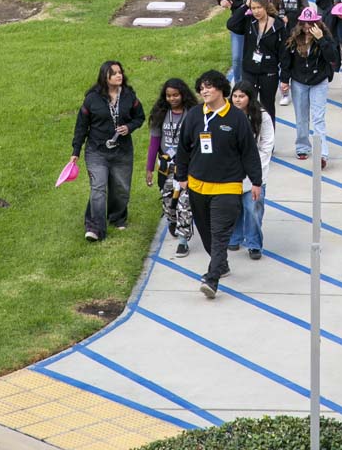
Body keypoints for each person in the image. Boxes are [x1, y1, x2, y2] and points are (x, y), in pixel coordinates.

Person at [174, 70, 262, 298]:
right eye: (201, 87)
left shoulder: (236, 118)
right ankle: (221, 264)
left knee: (220, 234)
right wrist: (181, 176)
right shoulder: (194, 115)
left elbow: (249, 152)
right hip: (197, 186)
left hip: (227, 187)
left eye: (209, 87)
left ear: (221, 89)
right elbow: (183, 148)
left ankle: (211, 279)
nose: (204, 91)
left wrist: (256, 181)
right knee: (207, 235)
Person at [71, 61, 145, 243]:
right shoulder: (92, 99)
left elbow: (140, 117)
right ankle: (95, 228)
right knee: (98, 188)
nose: (118, 75)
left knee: (121, 188)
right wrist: (75, 151)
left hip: (122, 151)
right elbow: (81, 126)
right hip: (96, 151)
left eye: (120, 72)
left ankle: (117, 217)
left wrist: (129, 127)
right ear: (105, 76)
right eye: (114, 73)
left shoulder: (129, 96)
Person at [279, 8, 340, 167]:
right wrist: (284, 80)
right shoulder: (293, 38)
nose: (307, 26)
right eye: (304, 23)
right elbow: (286, 60)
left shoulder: (325, 36)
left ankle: (322, 154)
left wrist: (321, 40)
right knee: (301, 116)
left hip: (319, 81)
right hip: (299, 81)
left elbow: (333, 58)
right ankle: (302, 146)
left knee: (318, 118)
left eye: (311, 23)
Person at [146, 77, 198, 255]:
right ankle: (172, 220)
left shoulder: (192, 112)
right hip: (166, 167)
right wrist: (149, 168)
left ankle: (183, 240)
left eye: (176, 95)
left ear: (183, 94)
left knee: (185, 202)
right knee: (168, 202)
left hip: (187, 166)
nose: (172, 99)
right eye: (168, 96)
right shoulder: (160, 113)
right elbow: (154, 142)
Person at [228, 81, 275, 261]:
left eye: (242, 96)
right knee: (234, 206)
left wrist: (254, 168)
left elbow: (266, 145)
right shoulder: (227, 115)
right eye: (235, 96)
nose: (238, 100)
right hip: (232, 171)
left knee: (253, 207)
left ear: (250, 98)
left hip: (255, 171)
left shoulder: (262, 117)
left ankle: (254, 243)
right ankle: (235, 237)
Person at [226, 0, 286, 124]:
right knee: (248, 105)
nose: (256, 11)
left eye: (259, 7)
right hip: (249, 70)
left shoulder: (278, 25)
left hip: (269, 72)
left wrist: (285, 78)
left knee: (267, 106)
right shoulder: (249, 21)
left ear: (266, 7)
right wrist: (245, 6)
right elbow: (231, 24)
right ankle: (249, 138)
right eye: (253, 8)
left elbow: (284, 53)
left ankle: (268, 141)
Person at [216, 0, 270, 83]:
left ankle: (254, 82)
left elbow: (268, 3)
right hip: (238, 25)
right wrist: (223, 0)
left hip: (255, 26)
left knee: (255, 56)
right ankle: (239, 84)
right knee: (236, 58)